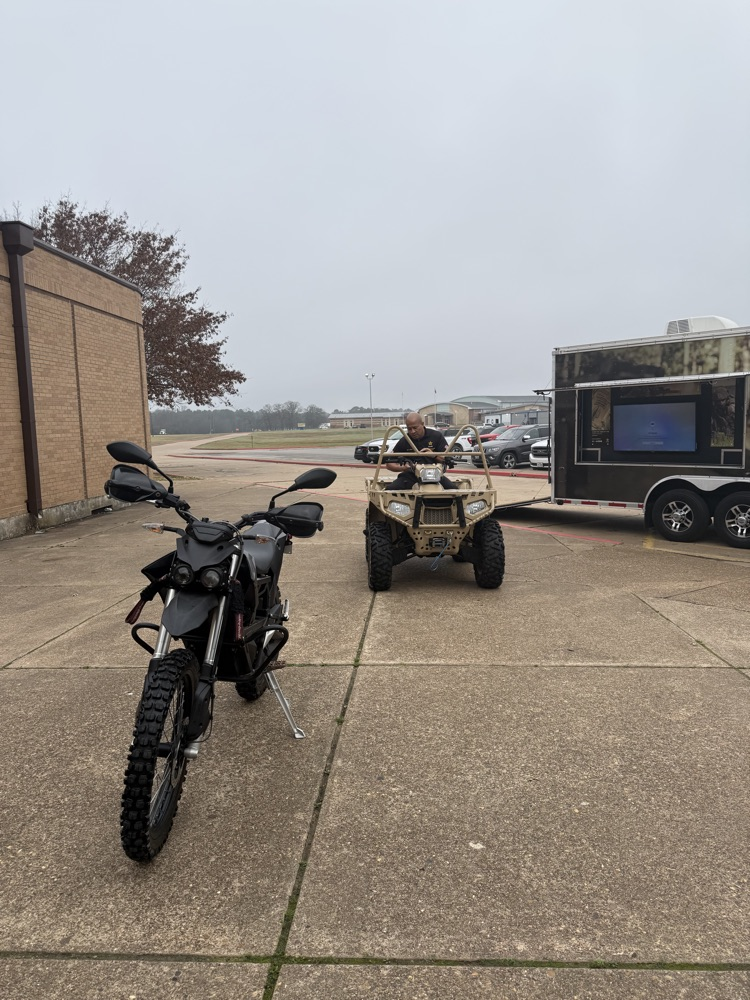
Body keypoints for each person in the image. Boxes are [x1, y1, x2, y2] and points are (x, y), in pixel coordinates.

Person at [384, 412, 457, 491]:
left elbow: (447, 458)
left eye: (415, 428)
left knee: (455, 491)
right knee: (389, 490)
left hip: (435, 475)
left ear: (422, 424)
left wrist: (434, 455)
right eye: (409, 429)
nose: (412, 431)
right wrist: (403, 467)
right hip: (411, 476)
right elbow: (389, 464)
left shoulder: (436, 436)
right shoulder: (405, 440)